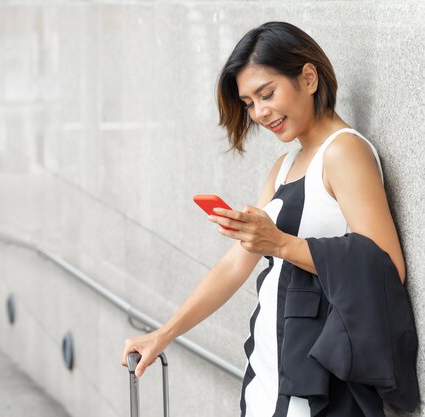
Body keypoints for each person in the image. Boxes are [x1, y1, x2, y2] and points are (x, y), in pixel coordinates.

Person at [120, 21, 409, 416]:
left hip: (318, 376)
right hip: (272, 364)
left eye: (266, 94)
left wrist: (279, 243)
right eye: (248, 103)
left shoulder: (344, 152)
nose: (259, 112)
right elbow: (236, 264)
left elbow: (387, 266)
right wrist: (164, 334)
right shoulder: (284, 165)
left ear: (308, 77)